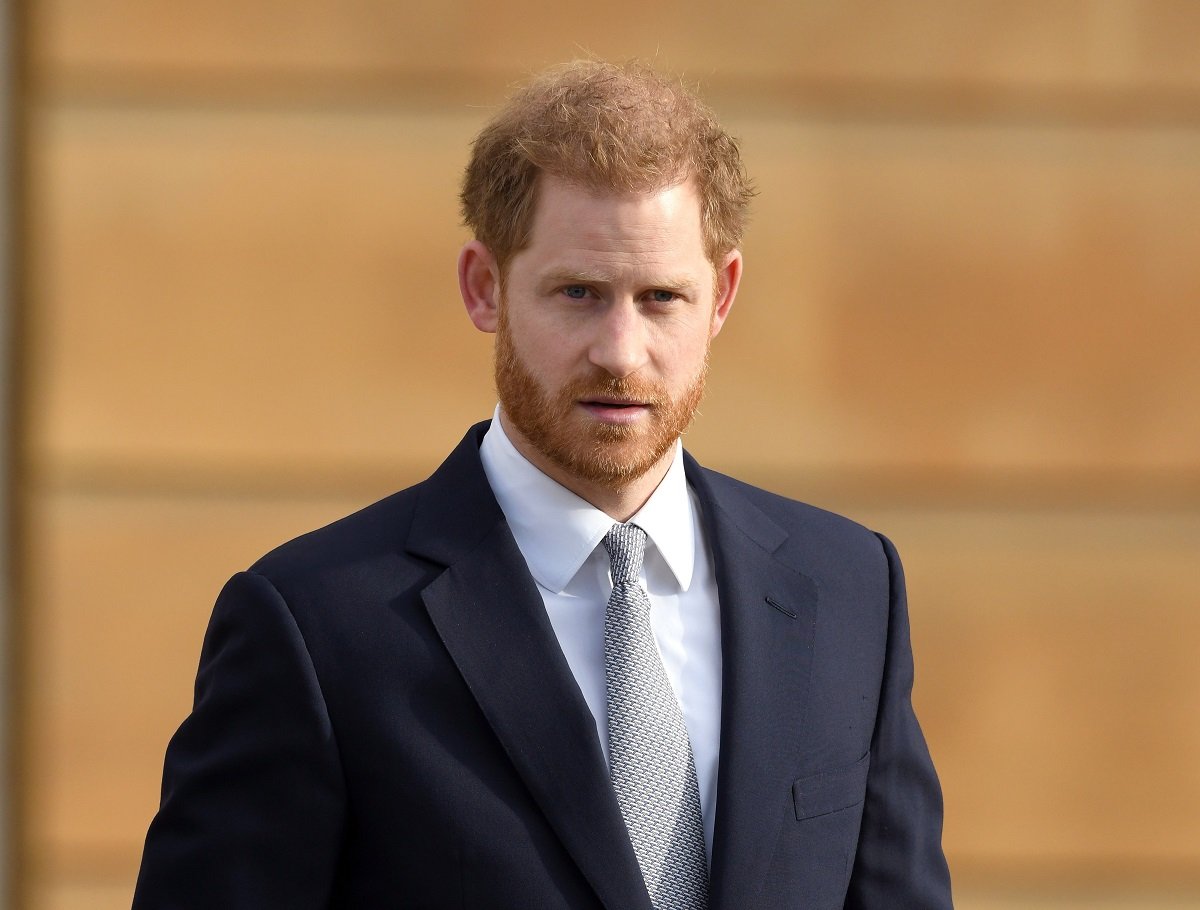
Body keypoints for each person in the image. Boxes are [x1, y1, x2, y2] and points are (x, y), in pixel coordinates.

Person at [133, 60, 953, 909]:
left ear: (722, 297)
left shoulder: (851, 590)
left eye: (663, 297)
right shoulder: (312, 625)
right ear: (485, 287)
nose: (621, 351)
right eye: (578, 293)